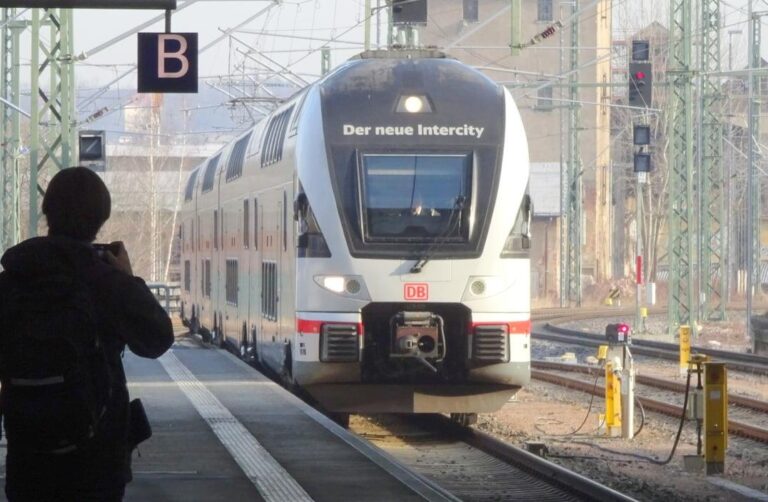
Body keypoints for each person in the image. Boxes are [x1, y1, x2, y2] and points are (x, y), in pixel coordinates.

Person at [0, 167, 174, 501]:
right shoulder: (105, 281)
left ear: (47, 212)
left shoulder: (11, 282)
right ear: (100, 220)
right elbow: (157, 339)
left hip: (29, 458)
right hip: (98, 461)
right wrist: (129, 278)